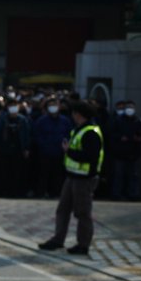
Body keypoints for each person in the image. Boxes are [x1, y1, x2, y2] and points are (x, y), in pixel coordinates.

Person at [39, 101, 104, 256]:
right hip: (72, 176)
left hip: (84, 178)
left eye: (74, 113)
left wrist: (69, 151)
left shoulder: (90, 132)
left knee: (82, 213)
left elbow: (90, 157)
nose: (72, 116)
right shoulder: (78, 129)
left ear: (79, 114)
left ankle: (83, 244)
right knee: (63, 209)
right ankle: (58, 239)